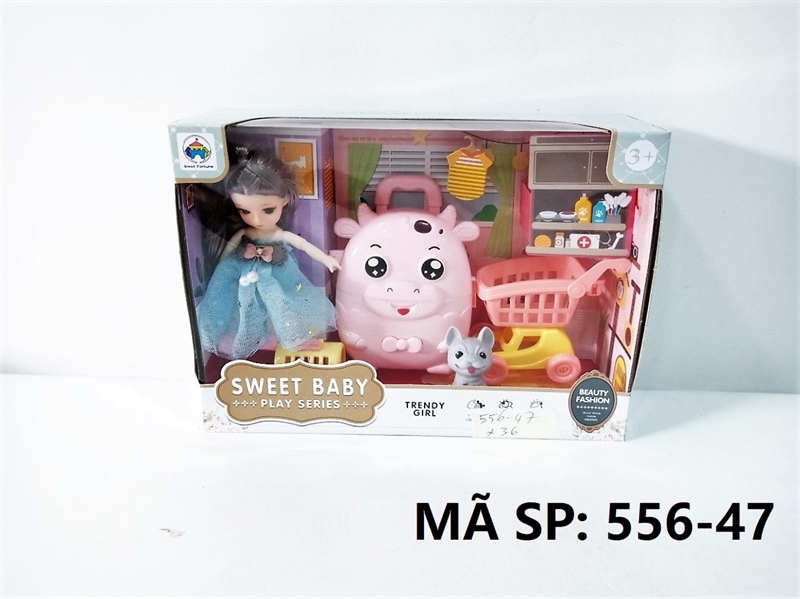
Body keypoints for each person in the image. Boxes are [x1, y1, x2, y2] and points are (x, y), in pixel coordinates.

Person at [196, 145, 340, 359]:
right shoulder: (245, 233)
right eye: (244, 211)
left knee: (280, 303)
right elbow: (229, 249)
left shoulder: (279, 235)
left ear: (285, 199)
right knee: (241, 306)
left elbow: (303, 245)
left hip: (276, 275)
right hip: (242, 275)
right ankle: (239, 338)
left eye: (268, 210)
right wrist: (218, 267)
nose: (256, 219)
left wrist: (326, 259)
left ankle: (289, 338)